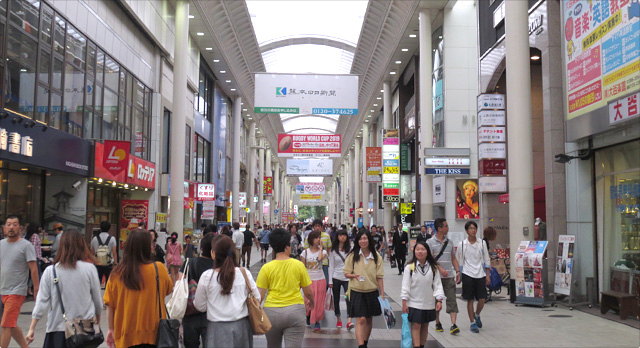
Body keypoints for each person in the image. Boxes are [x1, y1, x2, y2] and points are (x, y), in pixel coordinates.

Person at [26, 229, 103, 347]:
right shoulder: (90, 269)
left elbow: (41, 302)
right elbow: (98, 302)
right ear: (82, 246)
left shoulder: (50, 271)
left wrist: (32, 328)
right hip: (84, 329)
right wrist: (97, 322)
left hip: (57, 328)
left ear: (62, 246)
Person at [104, 230, 173, 348]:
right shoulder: (159, 269)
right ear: (147, 247)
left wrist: (111, 329)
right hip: (154, 335)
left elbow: (109, 305)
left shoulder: (116, 274)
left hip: (125, 337)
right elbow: (168, 290)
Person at [193, 234, 258, 347]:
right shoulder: (244, 273)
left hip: (216, 329)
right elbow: (257, 298)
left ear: (213, 253)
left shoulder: (207, 276)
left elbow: (200, 306)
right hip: (241, 327)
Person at [256, 228, 315, 348]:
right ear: (287, 246)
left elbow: (260, 296)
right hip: (295, 311)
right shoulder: (298, 265)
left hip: (271, 312)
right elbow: (308, 291)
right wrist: (312, 302)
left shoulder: (266, 268)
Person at [0, 215, 39, 348]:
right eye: (9, 224)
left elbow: (34, 269)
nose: (11, 227)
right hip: (2, 290)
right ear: (4, 228)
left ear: (20, 228)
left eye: (14, 224)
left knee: (5, 324)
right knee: (10, 323)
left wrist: (36, 290)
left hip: (16, 291)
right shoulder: (1, 245)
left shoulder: (26, 246)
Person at [343, 230, 385, 348]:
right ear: (357, 241)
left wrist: (382, 294)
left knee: (369, 319)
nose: (363, 241)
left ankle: (365, 343)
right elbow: (346, 273)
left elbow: (380, 277)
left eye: (365, 238)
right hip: (356, 291)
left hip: (371, 291)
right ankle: (361, 346)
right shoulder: (352, 256)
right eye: (360, 239)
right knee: (361, 320)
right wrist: (354, 276)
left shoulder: (377, 257)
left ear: (369, 240)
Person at [401, 241, 445, 348]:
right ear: (414, 251)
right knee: (416, 325)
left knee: (425, 325)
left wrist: (439, 300)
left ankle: (421, 345)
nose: (420, 252)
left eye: (423, 249)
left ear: (427, 252)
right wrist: (404, 302)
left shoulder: (433, 268)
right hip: (413, 303)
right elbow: (405, 286)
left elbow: (437, 285)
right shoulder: (409, 268)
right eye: (418, 249)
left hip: (428, 303)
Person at [180, 232, 215, 348]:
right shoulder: (219, 266)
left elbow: (179, 283)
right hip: (212, 314)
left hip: (190, 312)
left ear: (201, 248)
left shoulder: (189, 262)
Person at [426, 218, 461, 334]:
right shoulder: (430, 243)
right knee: (437, 301)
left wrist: (457, 271)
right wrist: (440, 269)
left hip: (449, 276)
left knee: (452, 299)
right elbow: (430, 259)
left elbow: (453, 258)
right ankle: (437, 322)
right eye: (446, 226)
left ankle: (453, 324)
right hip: (436, 277)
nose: (448, 228)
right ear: (439, 228)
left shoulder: (450, 242)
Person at [455, 221, 491, 333]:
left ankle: (477, 314)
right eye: (470, 228)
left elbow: (486, 258)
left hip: (480, 273)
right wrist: (459, 274)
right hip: (467, 273)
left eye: (474, 228)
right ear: (466, 231)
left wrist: (488, 274)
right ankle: (472, 323)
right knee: (470, 299)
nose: (473, 230)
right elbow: (459, 260)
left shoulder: (482, 243)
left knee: (482, 298)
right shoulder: (462, 244)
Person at [300, 231, 327, 332]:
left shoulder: (323, 252)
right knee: (307, 300)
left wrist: (321, 248)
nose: (318, 240)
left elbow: (320, 259)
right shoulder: (305, 252)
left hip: (320, 279)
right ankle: (308, 315)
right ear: (311, 239)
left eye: (319, 238)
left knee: (318, 301)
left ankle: (317, 322)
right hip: (308, 280)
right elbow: (302, 268)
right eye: (316, 238)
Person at [328, 229, 353, 330]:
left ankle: (349, 320)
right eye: (340, 235)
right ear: (337, 237)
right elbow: (331, 266)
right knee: (337, 299)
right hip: (336, 277)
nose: (342, 237)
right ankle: (338, 318)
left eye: (344, 235)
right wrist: (330, 281)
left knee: (349, 299)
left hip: (347, 278)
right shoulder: (333, 251)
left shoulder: (350, 249)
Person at [303, 219, 332, 286]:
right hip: (312, 263)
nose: (317, 228)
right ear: (313, 227)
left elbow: (329, 249)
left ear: (322, 227)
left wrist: (327, 258)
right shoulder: (308, 237)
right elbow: (306, 249)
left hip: (324, 262)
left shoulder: (326, 236)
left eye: (319, 226)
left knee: (325, 282)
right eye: (315, 226)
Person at [90, 221, 118, 289]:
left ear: (100, 228)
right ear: (109, 228)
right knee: (109, 284)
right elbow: (114, 253)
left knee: (97, 283)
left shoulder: (94, 239)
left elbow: (92, 253)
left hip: (97, 263)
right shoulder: (112, 239)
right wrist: (115, 264)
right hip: (108, 264)